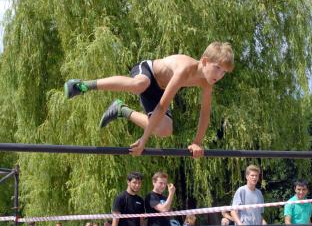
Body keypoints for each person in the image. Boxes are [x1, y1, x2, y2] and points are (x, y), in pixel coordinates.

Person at [64, 42, 234, 157]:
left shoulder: (206, 83)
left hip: (158, 91)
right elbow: (162, 106)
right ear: (204, 61)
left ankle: (121, 110)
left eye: (223, 72)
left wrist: (197, 143)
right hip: (147, 72)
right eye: (217, 68)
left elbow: (205, 114)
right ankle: (82, 86)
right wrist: (144, 140)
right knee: (140, 83)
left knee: (165, 130)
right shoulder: (184, 69)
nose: (219, 75)